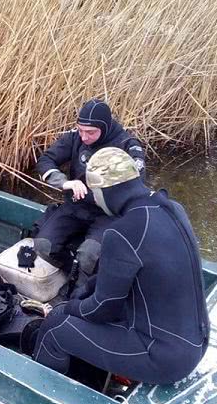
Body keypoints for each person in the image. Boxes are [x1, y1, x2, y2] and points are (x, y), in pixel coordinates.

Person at [28, 147, 210, 385]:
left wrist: (68, 307)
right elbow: (121, 278)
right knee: (78, 309)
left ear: (104, 191)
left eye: (94, 192)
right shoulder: (172, 208)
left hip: (162, 358)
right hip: (195, 341)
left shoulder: (121, 232)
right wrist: (85, 292)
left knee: (56, 327)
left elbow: (102, 309)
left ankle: (44, 396)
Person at [34, 99, 146, 274]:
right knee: (43, 246)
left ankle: (85, 286)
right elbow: (46, 160)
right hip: (75, 205)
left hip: (108, 213)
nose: (84, 137)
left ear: (105, 128)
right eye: (81, 130)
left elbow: (136, 187)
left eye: (91, 132)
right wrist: (65, 182)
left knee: (89, 255)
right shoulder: (76, 136)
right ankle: (72, 271)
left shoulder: (127, 145)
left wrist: (105, 194)